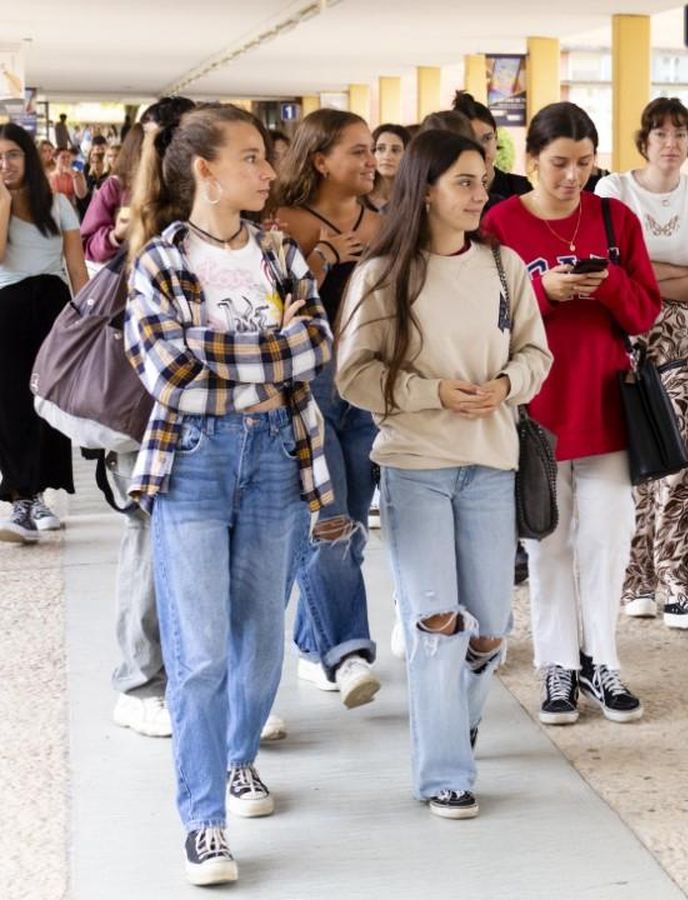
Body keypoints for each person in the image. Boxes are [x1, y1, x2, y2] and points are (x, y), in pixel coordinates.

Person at [122, 103, 333, 886]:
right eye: (251, 158)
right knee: (200, 649)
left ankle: (240, 758)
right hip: (194, 464)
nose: (268, 173)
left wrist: (238, 359)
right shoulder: (162, 261)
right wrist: (267, 362)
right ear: (205, 169)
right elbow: (167, 373)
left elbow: (318, 346)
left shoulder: (280, 256)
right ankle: (203, 820)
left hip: (279, 456)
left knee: (260, 635)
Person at [339, 128, 551, 818]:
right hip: (415, 466)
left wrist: (506, 384)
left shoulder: (503, 267)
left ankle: (452, 720)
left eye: (483, 179)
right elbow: (354, 376)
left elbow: (536, 353)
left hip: (491, 464)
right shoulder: (383, 273)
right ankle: (444, 774)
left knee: (488, 629)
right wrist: (433, 393)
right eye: (463, 180)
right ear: (424, 189)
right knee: (435, 622)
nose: (478, 192)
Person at [481, 102, 661, 723]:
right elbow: (484, 317)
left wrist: (606, 282)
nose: (571, 177)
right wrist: (543, 293)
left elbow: (644, 313)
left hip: (607, 400)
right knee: (548, 541)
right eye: (558, 163)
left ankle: (602, 660)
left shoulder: (615, 217)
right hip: (536, 408)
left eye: (584, 163)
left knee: (607, 538)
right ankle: (557, 665)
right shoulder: (500, 223)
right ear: (530, 160)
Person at [597, 98, 688, 629]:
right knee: (627, 464)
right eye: (660, 132)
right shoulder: (613, 191)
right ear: (643, 140)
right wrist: (677, 272)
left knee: (678, 461)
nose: (670, 142)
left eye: (680, 133)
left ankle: (682, 584)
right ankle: (634, 579)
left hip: (684, 344)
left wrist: (644, 274)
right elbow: (612, 268)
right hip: (622, 339)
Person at [273, 109, 385, 708]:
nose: (372, 161)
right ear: (320, 161)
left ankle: (313, 644)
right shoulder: (283, 223)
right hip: (311, 388)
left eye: (372, 151)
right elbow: (274, 311)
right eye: (358, 151)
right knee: (330, 526)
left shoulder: (386, 220)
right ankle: (347, 654)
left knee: (353, 530)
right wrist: (323, 259)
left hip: (367, 388)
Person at [0, 123, 87, 543]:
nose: (5, 163)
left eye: (13, 154)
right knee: (12, 404)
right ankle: (21, 497)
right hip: (7, 311)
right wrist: (2, 202)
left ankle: (42, 495)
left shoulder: (58, 204)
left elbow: (77, 269)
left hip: (54, 311)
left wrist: (91, 322)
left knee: (48, 403)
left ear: (29, 157)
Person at [83, 97, 197, 267]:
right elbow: (86, 245)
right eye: (146, 136)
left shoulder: (206, 185)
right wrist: (115, 236)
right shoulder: (118, 187)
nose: (147, 146)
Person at [453, 92, 530, 206]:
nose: (482, 148)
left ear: (496, 138)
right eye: (471, 141)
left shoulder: (523, 190)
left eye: (487, 138)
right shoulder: (450, 194)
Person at [369, 123, 408, 212]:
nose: (387, 156)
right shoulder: (357, 196)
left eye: (395, 150)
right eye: (381, 149)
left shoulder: (414, 200)